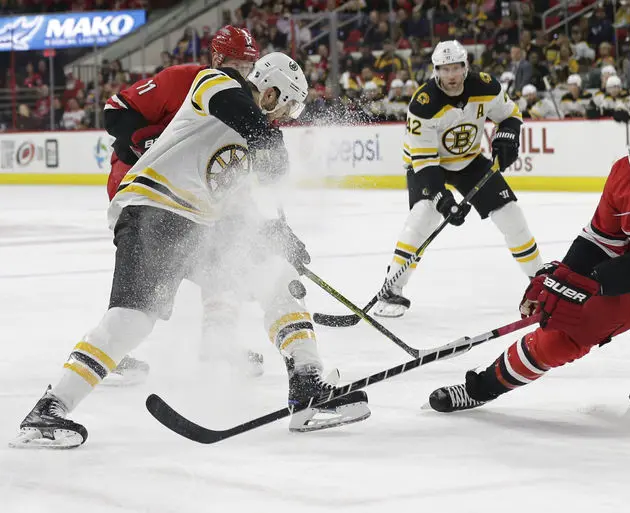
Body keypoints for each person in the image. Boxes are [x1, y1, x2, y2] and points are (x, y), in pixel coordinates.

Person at [10, 52, 370, 449]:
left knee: (276, 275)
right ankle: (50, 408)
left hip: (201, 228)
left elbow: (239, 207)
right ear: (270, 91)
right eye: (286, 105)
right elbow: (242, 115)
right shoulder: (215, 84)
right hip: (154, 209)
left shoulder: (252, 136)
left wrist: (277, 236)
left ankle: (307, 386)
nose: (284, 117)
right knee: (133, 320)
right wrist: (268, 143)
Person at [428, 112, 630, 430]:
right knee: (560, 336)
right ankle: (479, 389)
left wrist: (589, 284)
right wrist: (561, 279)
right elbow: (599, 239)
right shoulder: (624, 173)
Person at [102, 26, 263, 385]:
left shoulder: (239, 99)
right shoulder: (184, 79)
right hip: (139, 183)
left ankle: (217, 340)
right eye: (236, 63)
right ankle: (111, 347)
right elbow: (116, 110)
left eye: (249, 66)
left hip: (189, 193)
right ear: (217, 58)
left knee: (223, 260)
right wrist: (142, 145)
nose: (243, 72)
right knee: (142, 276)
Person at [373, 40, 543, 318]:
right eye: (444, 69)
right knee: (424, 215)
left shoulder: (486, 86)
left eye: (456, 68)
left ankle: (539, 279)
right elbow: (425, 162)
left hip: (469, 160)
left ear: (466, 67)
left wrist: (508, 135)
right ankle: (393, 286)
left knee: (510, 214)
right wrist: (443, 200)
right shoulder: (423, 103)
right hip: (428, 164)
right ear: (435, 71)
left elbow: (510, 114)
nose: (451, 75)